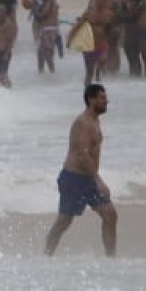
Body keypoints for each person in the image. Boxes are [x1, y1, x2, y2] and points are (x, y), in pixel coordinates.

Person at [45, 83, 117, 258]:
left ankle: (111, 260)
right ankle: (46, 256)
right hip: (74, 179)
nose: (107, 101)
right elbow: (82, 155)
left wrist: (94, 180)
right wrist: (99, 181)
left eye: (105, 97)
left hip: (88, 179)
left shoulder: (94, 120)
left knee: (110, 215)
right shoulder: (83, 123)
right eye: (102, 98)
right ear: (91, 100)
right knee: (64, 221)